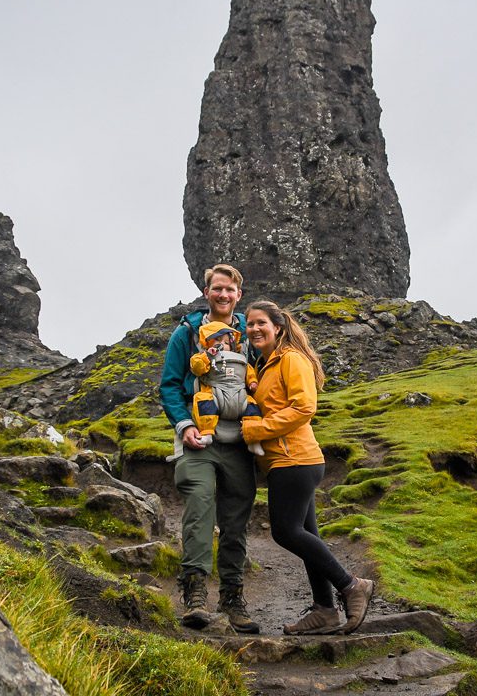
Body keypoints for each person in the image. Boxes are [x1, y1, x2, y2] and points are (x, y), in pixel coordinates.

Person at [241, 300, 375, 635]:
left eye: (261, 323)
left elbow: (304, 407)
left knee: (285, 531)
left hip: (295, 460)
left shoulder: (291, 359)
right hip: (284, 462)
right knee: (308, 534)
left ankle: (351, 585)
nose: (255, 329)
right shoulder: (264, 366)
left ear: (278, 327)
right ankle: (325, 611)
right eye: (250, 324)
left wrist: (256, 430)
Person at [159, 264, 259, 633]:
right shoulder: (186, 332)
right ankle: (195, 593)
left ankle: (233, 598)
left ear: (238, 295)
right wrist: (183, 425)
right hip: (199, 437)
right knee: (200, 505)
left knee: (235, 519)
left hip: (242, 440)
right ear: (206, 292)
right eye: (217, 289)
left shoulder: (251, 330)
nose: (223, 295)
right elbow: (169, 384)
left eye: (229, 290)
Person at [189, 320, 264, 456]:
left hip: (239, 395)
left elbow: (248, 371)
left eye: (226, 342)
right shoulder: (202, 357)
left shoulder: (240, 359)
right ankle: (207, 433)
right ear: (207, 342)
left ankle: (253, 440)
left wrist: (252, 382)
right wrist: (207, 357)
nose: (222, 345)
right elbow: (197, 368)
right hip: (214, 393)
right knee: (203, 401)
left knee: (252, 407)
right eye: (217, 340)